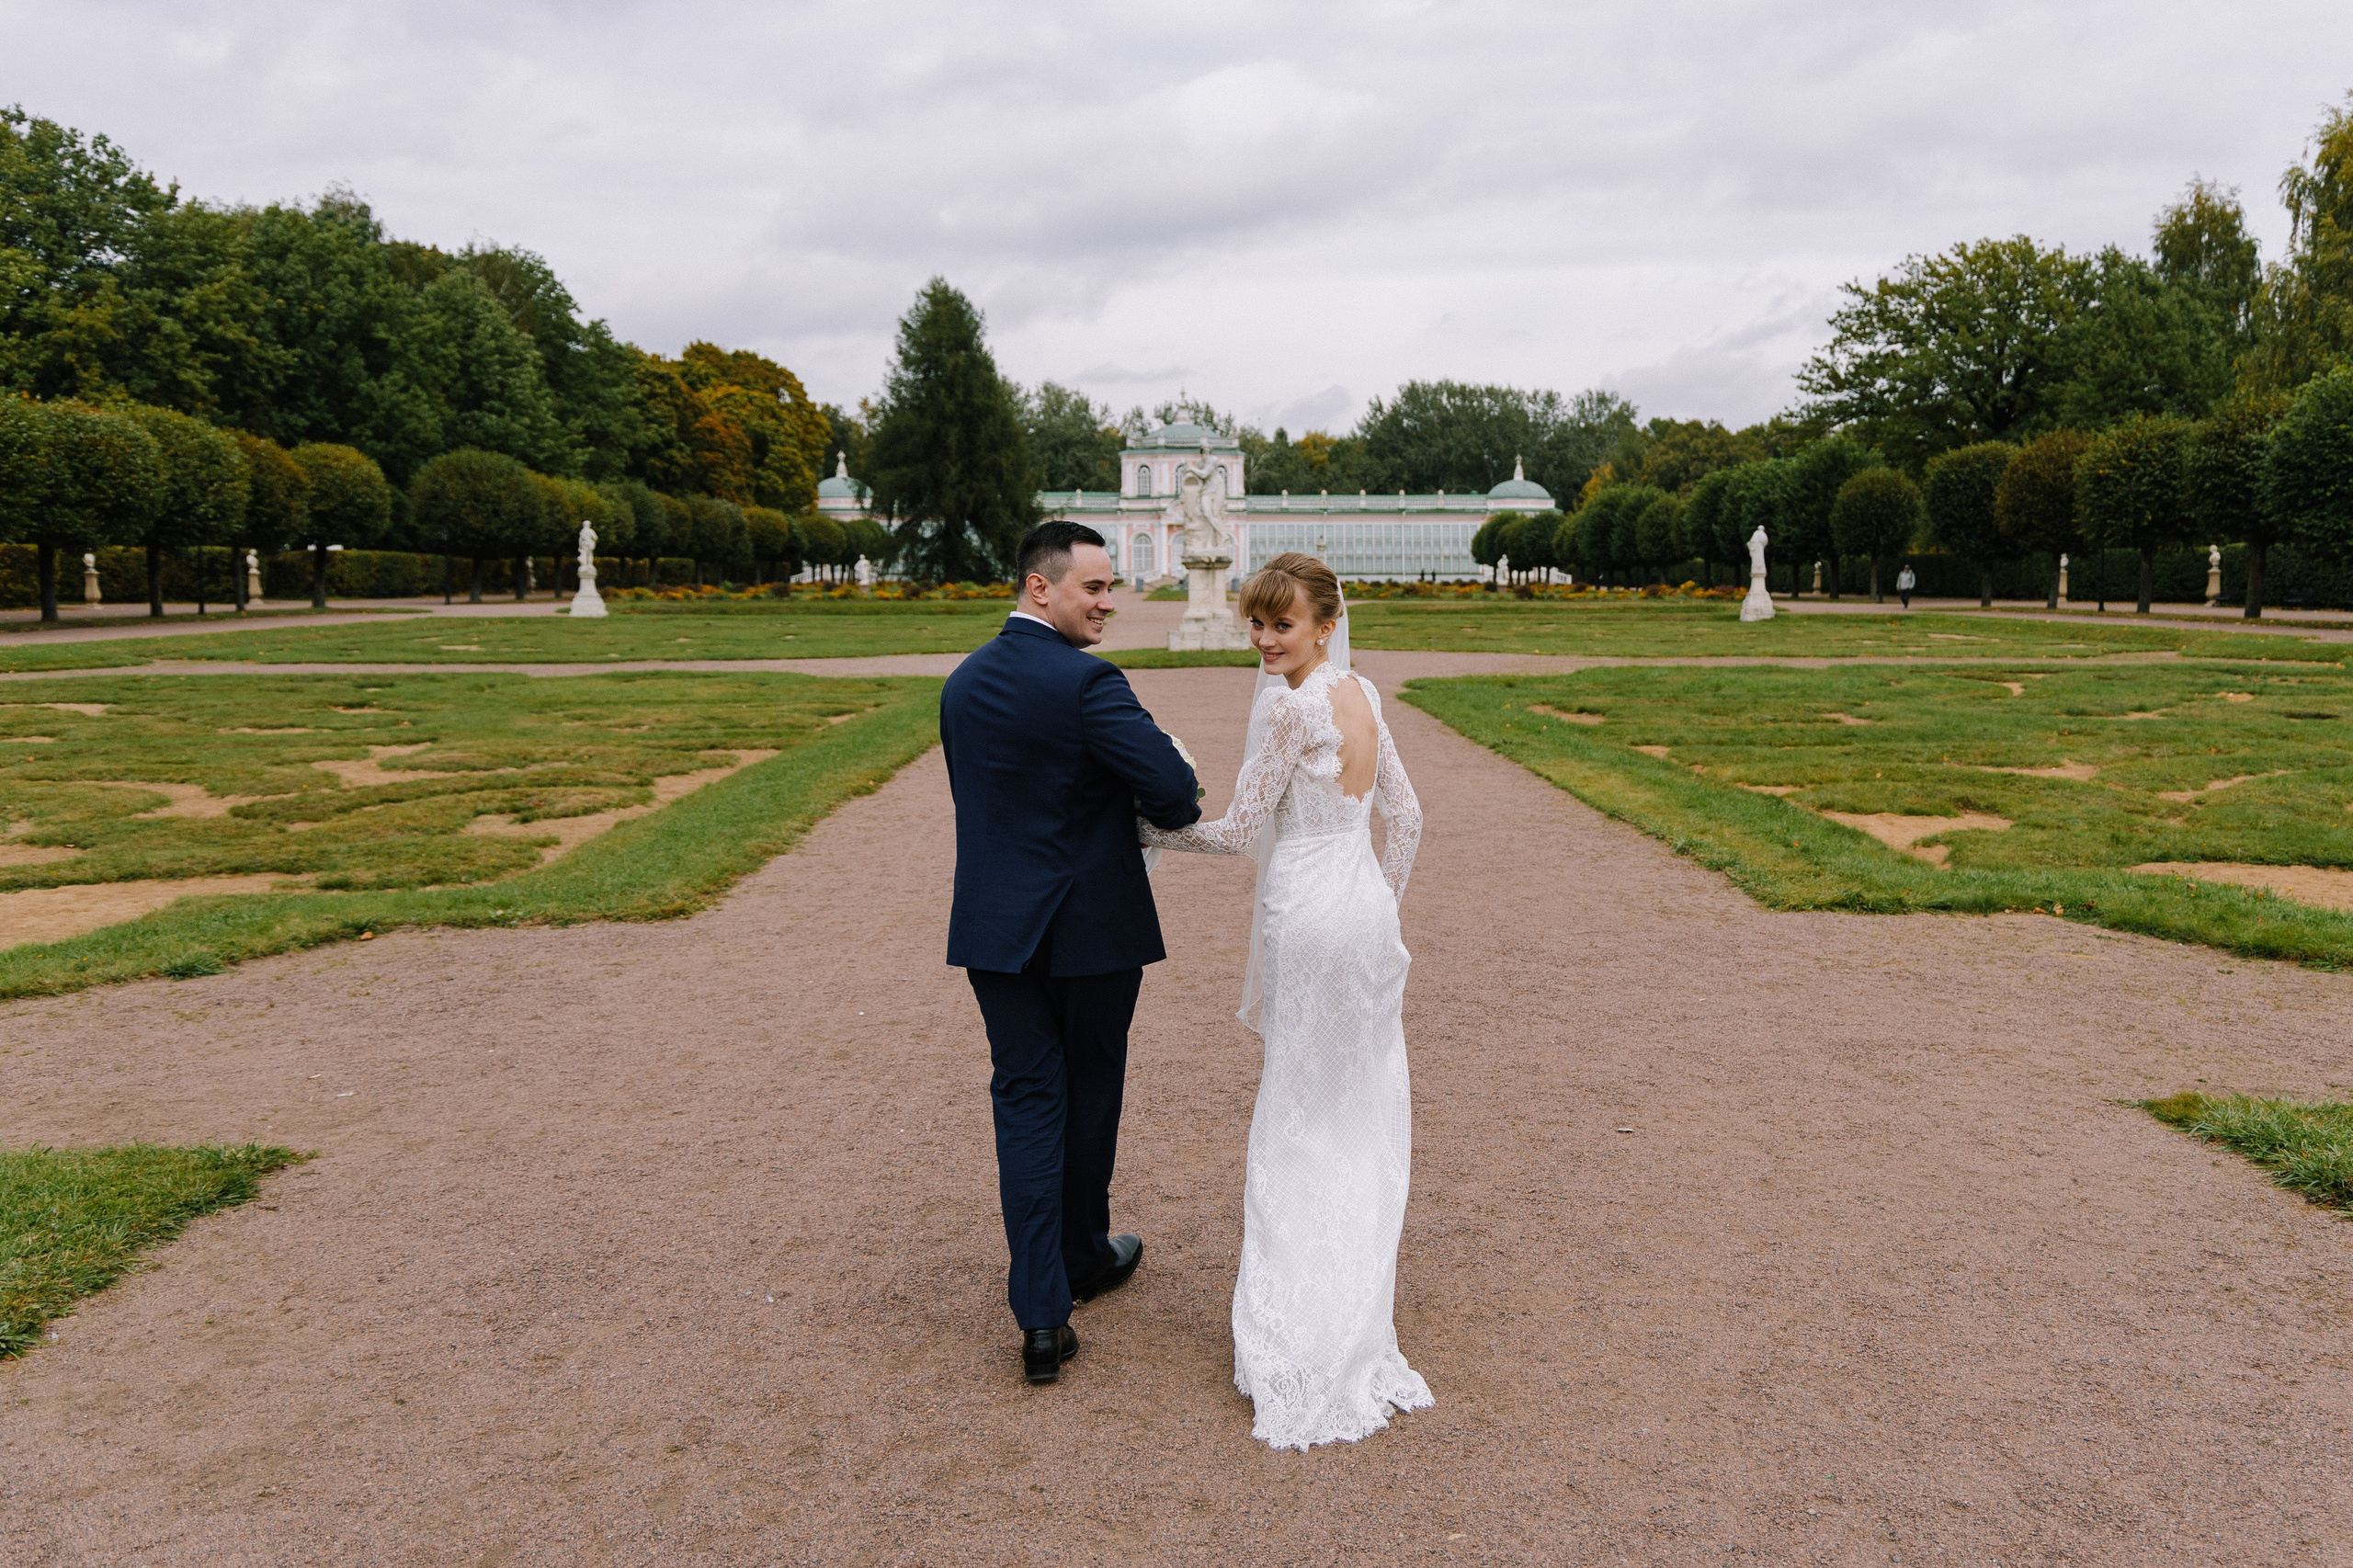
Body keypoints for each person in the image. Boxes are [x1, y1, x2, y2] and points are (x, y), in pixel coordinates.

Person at [1140, 551, 1433, 1450]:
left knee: (1298, 1113)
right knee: (1355, 1106)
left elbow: (1234, 835)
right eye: (1257, 624)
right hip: (1362, 915)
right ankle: (1356, 1307)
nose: (1266, 640)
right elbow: (1408, 819)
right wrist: (1379, 904)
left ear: (1322, 619)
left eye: (1281, 624)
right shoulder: (1364, 694)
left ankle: (1308, 1323)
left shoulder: (1293, 708)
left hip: (1308, 919)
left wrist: (1151, 829)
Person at [939, 521, 1201, 1385]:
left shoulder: (964, 683)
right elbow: (1173, 795)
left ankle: (1041, 1311)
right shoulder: (1089, 683)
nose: (1109, 602)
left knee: (1023, 1102)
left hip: (995, 931)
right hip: (1090, 930)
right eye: (1094, 587)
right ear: (1038, 587)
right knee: (1088, 1095)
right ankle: (1083, 1256)